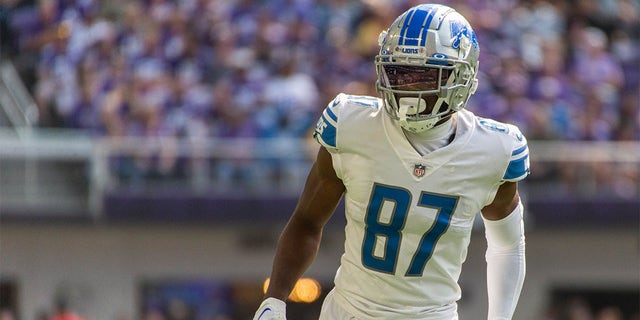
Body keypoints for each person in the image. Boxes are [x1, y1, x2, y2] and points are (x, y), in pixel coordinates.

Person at [253, 3, 529, 320]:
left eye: (424, 75)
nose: (406, 87)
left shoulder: (493, 149)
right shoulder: (352, 125)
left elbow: (507, 245)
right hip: (349, 312)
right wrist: (274, 299)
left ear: (461, 77)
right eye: (398, 72)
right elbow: (306, 221)